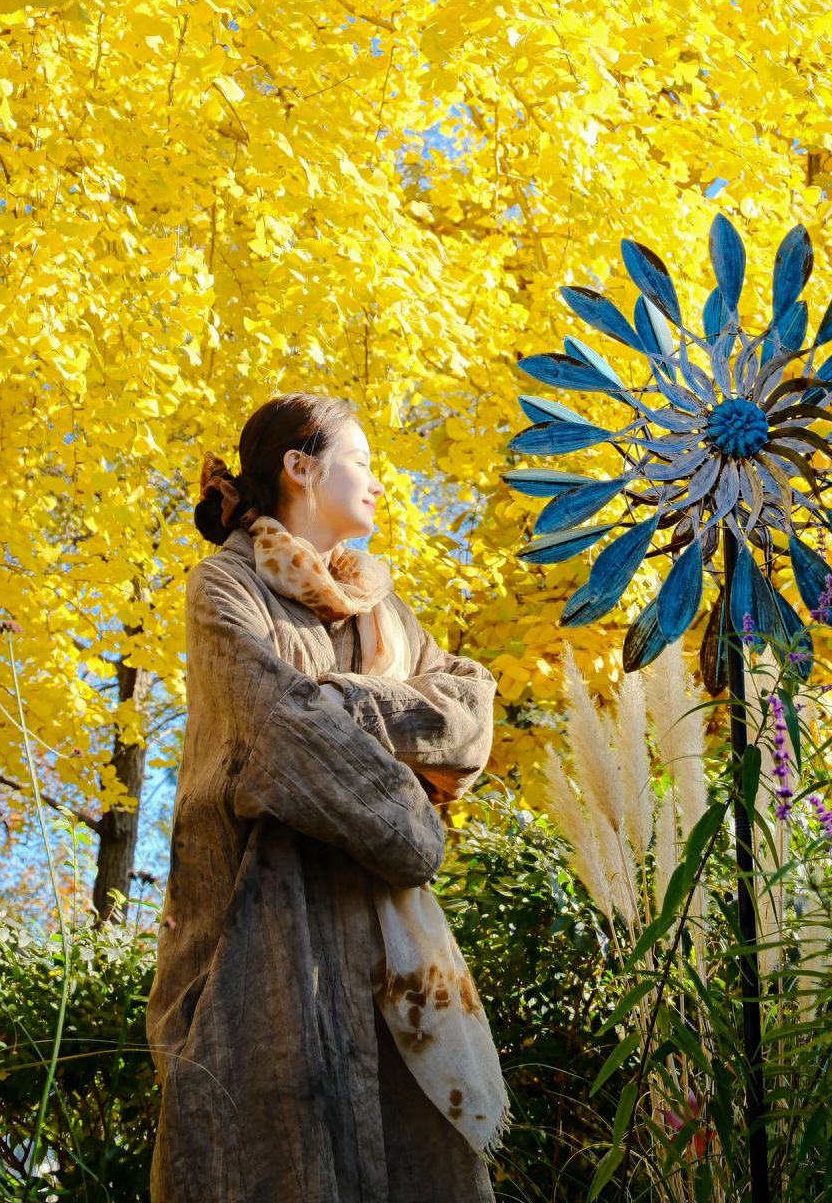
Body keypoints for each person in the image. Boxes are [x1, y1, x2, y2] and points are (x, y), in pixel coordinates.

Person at [147, 391, 505, 1203]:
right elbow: (281, 738)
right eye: (364, 461)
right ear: (300, 468)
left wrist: (343, 700)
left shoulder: (387, 613)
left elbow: (471, 716)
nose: (379, 482)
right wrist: (413, 806)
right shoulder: (226, 588)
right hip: (260, 961)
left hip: (396, 972)